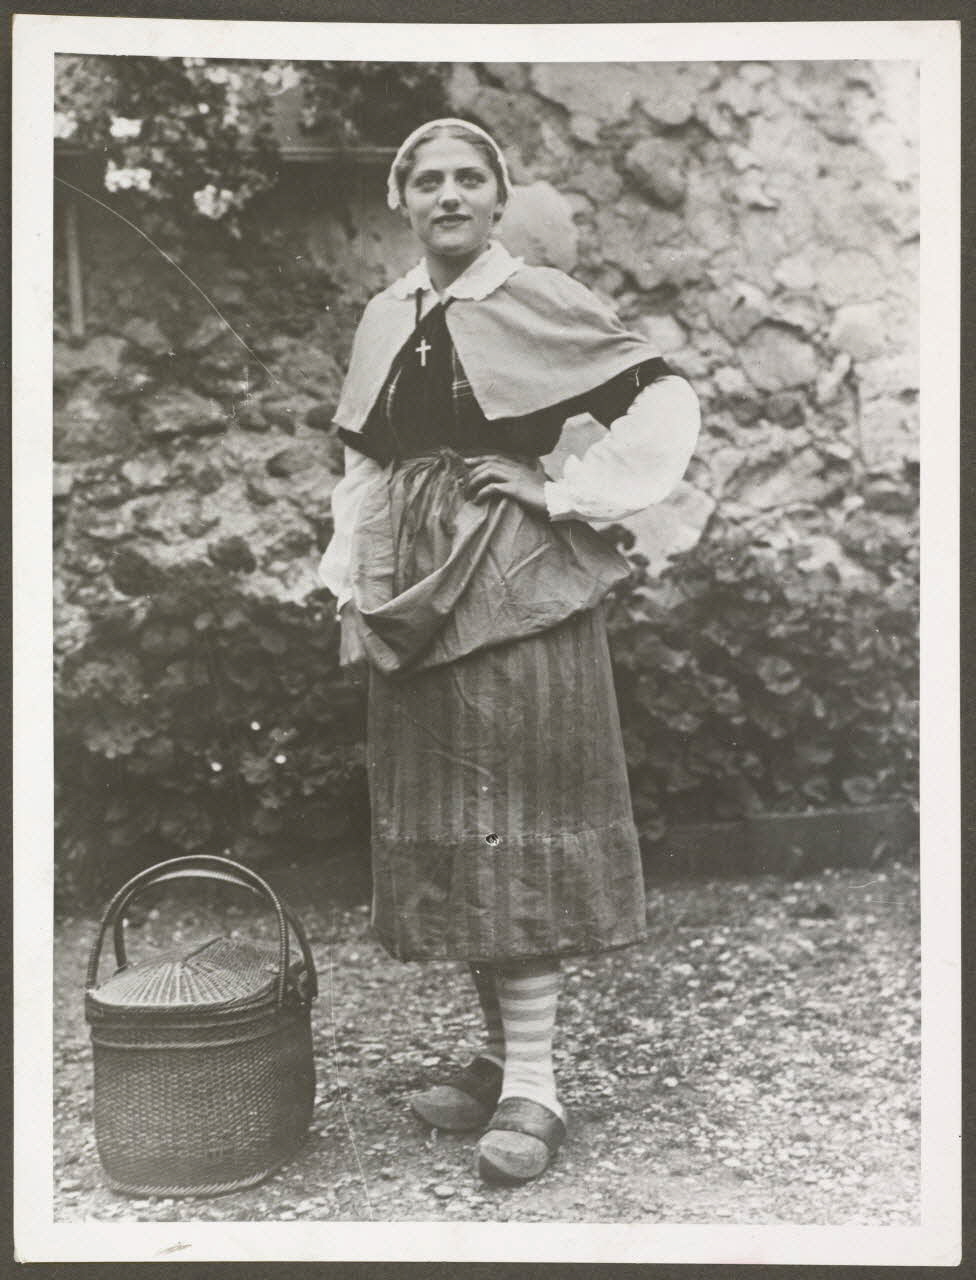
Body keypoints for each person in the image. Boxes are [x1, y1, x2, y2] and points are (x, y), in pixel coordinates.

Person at [319, 118, 700, 1185]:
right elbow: (360, 464)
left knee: (515, 819)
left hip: (513, 583)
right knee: (454, 826)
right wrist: (349, 582)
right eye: (427, 179)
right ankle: (498, 1060)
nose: (447, 195)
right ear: (402, 198)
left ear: (496, 198)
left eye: (468, 179)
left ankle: (536, 1082)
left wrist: (561, 488)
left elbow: (664, 399)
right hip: (412, 588)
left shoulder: (538, 298)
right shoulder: (384, 315)